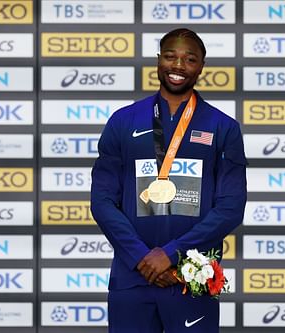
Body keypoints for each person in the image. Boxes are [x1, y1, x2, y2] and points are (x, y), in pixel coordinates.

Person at [91, 28, 247, 333]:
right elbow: (102, 201)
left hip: (194, 276)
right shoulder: (123, 121)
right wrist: (142, 258)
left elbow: (230, 208)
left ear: (202, 66)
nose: (178, 65)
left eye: (190, 59)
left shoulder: (224, 127)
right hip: (133, 274)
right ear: (157, 61)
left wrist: (172, 255)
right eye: (170, 56)